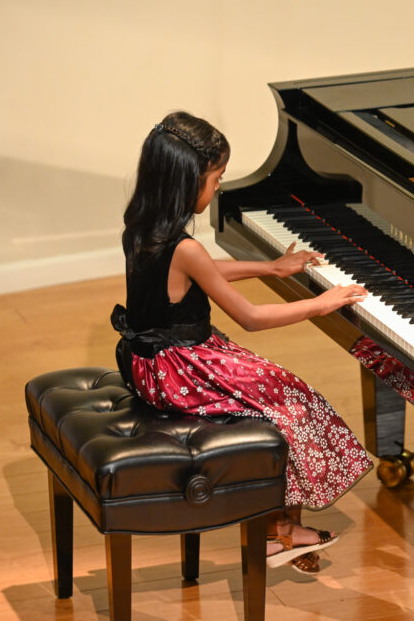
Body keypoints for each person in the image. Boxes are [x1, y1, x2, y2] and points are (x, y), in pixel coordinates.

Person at [111, 111, 373, 574]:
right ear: (186, 183)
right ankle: (277, 533)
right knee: (291, 403)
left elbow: (199, 272)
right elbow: (250, 318)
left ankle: (281, 527)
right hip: (180, 369)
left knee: (280, 389)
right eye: (215, 180)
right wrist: (320, 304)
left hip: (149, 363)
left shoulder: (141, 223)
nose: (217, 189)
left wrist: (270, 268)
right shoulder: (186, 248)